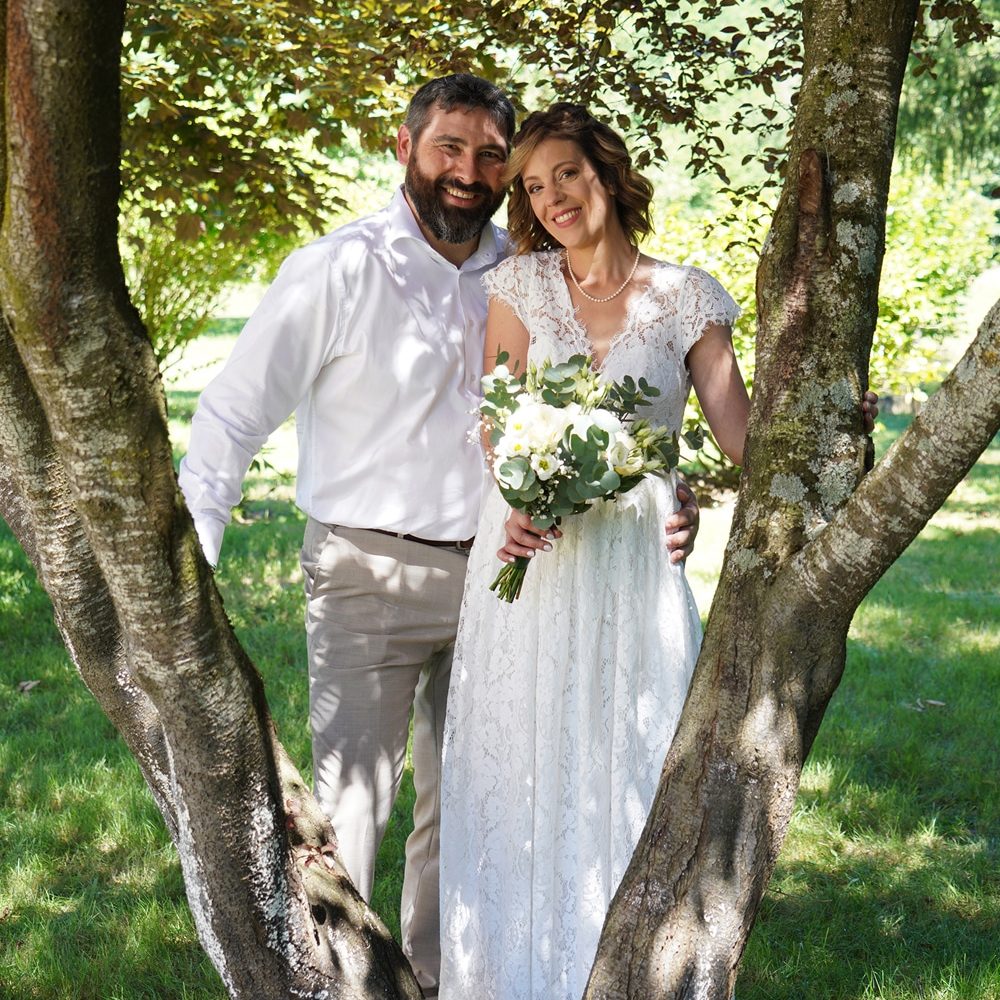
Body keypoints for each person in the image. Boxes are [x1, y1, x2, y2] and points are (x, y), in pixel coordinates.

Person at [178, 77, 701, 997]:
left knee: (474, 808)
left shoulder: (530, 274)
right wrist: (193, 567)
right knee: (350, 812)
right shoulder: (337, 269)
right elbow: (228, 417)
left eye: (491, 156)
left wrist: (668, 481)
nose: (470, 171)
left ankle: (431, 977)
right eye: (448, 149)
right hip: (368, 571)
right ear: (405, 148)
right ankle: (333, 983)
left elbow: (621, 395)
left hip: (516, 587)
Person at [437, 103, 874, 999]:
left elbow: (747, 445)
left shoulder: (686, 297)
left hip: (635, 568)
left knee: (628, 767)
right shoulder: (517, 288)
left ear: (606, 171)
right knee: (516, 767)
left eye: (565, 173)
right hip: (532, 552)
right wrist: (516, 499)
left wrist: (835, 435)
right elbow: (496, 424)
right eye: (532, 185)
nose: (551, 196)